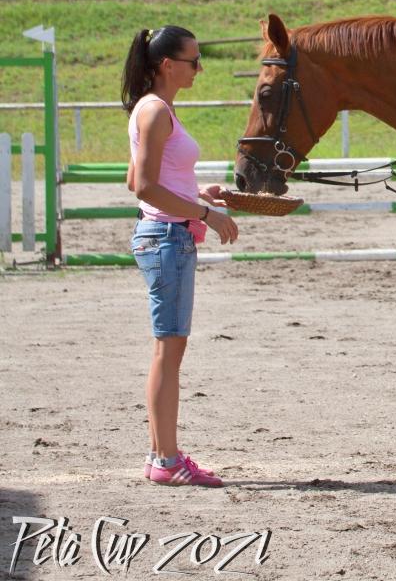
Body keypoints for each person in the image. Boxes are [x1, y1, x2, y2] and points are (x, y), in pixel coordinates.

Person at [122, 25, 239, 487]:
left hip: (165, 235)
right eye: (193, 60)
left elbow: (137, 180)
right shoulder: (156, 111)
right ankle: (167, 460)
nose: (199, 68)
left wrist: (195, 191)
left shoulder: (152, 108)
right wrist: (205, 212)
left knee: (167, 350)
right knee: (168, 352)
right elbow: (144, 187)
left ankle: (161, 455)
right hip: (167, 238)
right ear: (168, 65)